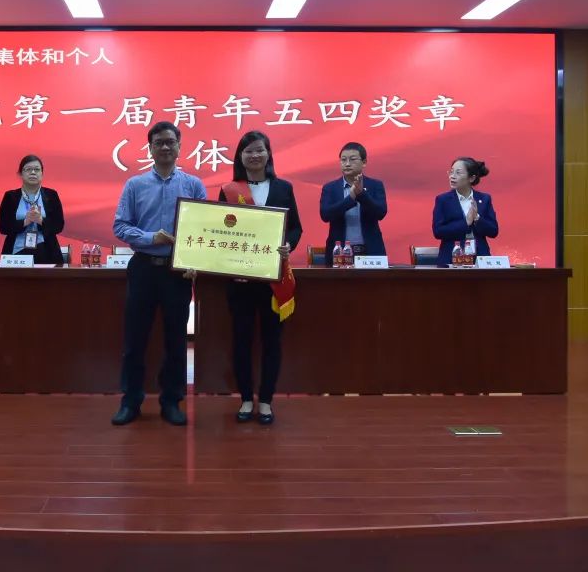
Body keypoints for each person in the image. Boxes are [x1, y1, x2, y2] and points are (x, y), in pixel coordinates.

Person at [111, 121, 207, 427]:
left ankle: (171, 401)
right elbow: (120, 226)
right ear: (150, 148)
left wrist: (195, 261)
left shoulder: (193, 185)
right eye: (158, 143)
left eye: (170, 142)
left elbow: (203, 229)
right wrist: (152, 237)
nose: (165, 147)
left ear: (179, 146)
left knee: (176, 340)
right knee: (135, 339)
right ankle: (131, 401)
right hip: (143, 268)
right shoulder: (135, 185)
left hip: (177, 273)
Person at [218, 131, 301, 425]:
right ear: (240, 157)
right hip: (240, 281)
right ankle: (244, 399)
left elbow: (295, 228)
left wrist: (288, 244)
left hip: (273, 280)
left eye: (259, 150)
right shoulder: (229, 190)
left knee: (272, 341)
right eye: (248, 151)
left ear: (268, 154)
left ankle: (265, 400)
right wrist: (231, 266)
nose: (254, 156)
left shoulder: (283, 188)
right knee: (241, 341)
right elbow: (222, 231)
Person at [319, 142, 388, 264]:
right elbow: (325, 215)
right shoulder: (330, 188)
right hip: (339, 253)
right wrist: (350, 199)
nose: (347, 164)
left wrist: (361, 194)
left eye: (352, 159)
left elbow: (380, 213)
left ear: (364, 162)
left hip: (370, 252)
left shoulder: (375, 185)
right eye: (343, 160)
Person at [0, 154, 65, 265]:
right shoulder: (10, 196)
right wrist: (24, 222)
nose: (33, 172)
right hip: (16, 254)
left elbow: (59, 226)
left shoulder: (51, 195)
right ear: (20, 174)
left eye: (37, 169)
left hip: (47, 253)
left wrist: (41, 221)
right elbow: (3, 227)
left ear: (42, 173)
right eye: (28, 169)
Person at [432, 157, 499, 267]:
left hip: (480, 259)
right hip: (452, 259)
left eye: (458, 173)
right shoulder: (443, 200)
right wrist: (466, 222)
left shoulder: (484, 199)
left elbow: (493, 231)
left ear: (471, 178)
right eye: (451, 172)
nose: (452, 176)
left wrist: (477, 218)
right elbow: (438, 231)